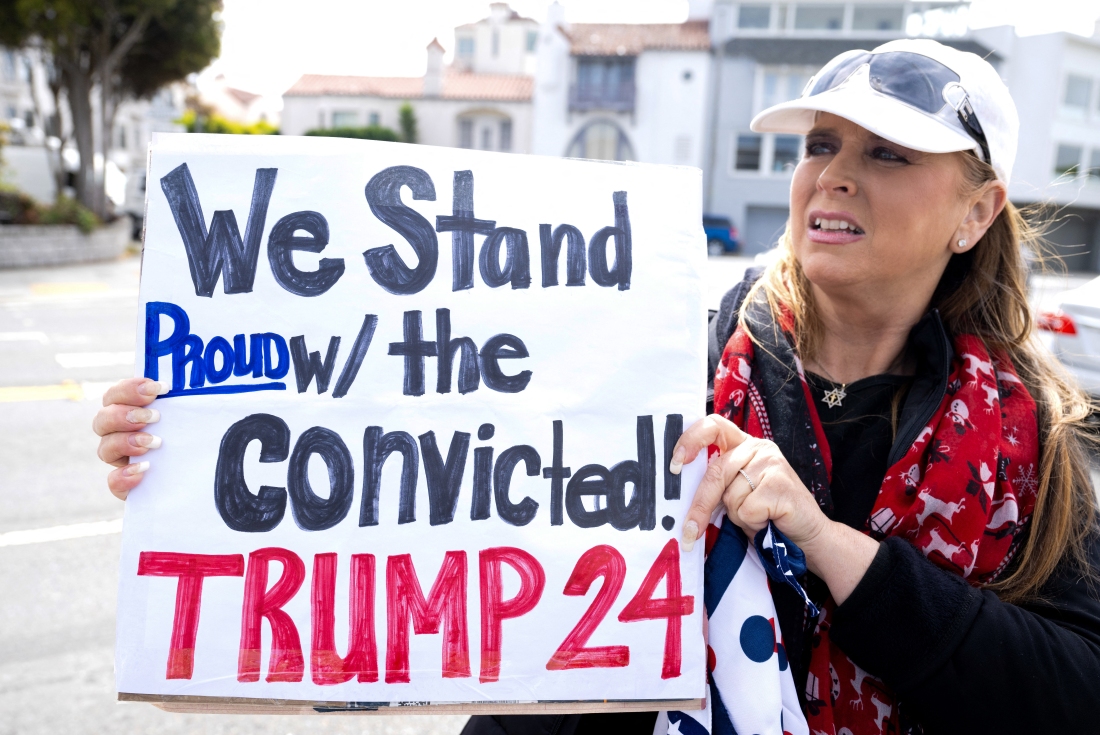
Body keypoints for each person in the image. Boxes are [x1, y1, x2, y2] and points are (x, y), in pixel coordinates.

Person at [95, 38, 1100, 735]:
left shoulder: (1031, 441)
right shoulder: (648, 347)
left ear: (975, 210)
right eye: (818, 146)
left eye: (885, 153)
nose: (832, 176)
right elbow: (425, 479)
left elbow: (1069, 694)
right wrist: (194, 449)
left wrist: (831, 548)